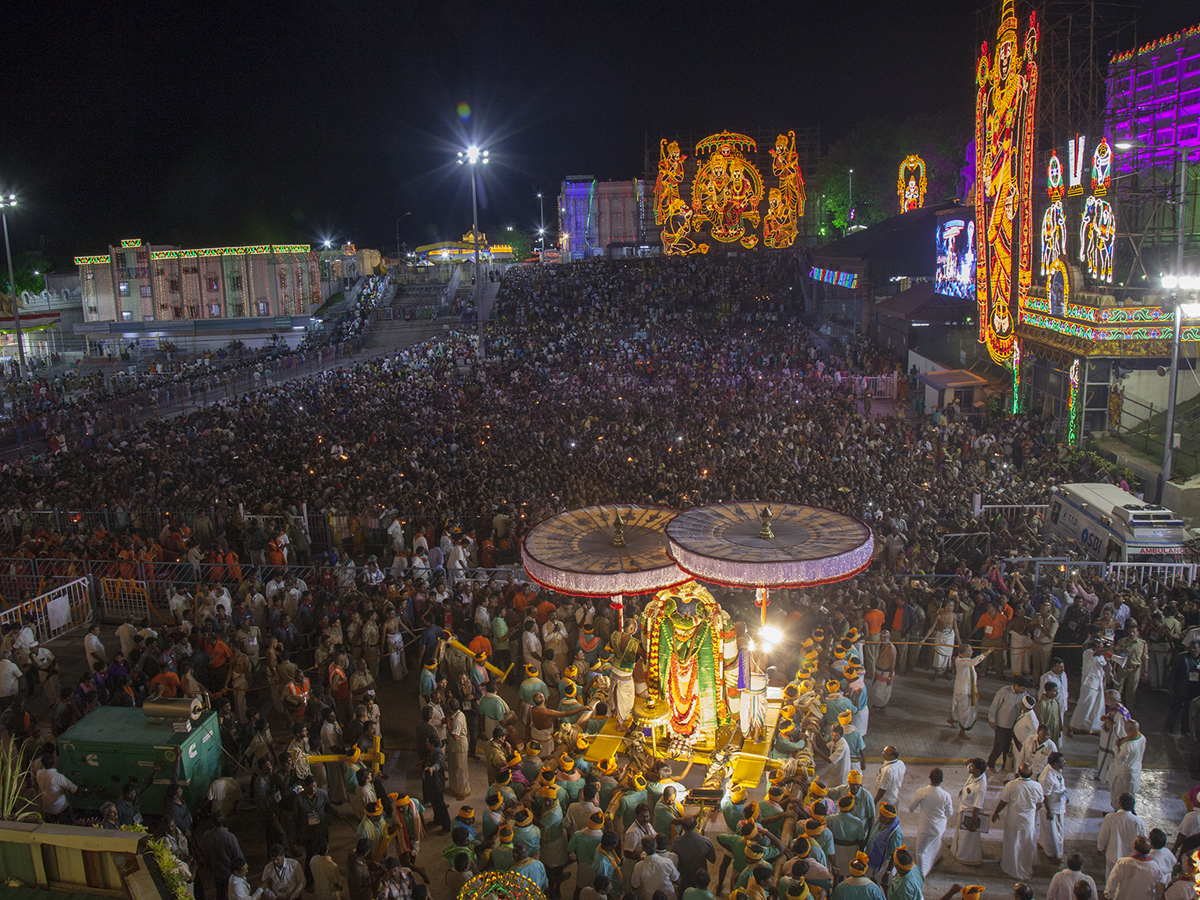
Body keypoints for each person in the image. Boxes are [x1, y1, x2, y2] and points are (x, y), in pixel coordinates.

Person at [990, 763, 1044, 880]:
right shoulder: (1037, 786)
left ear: (1017, 773)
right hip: (1028, 821)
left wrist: (996, 812)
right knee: (1026, 843)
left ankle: (1010, 866)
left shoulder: (1012, 785)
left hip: (1013, 820)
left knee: (1012, 842)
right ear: (1031, 774)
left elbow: (1003, 801)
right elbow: (1039, 804)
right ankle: (1025, 867)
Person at [908, 768, 954, 876]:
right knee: (936, 843)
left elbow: (911, 807)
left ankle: (922, 873)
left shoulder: (922, 792)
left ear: (929, 777)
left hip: (926, 826)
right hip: (939, 827)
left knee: (921, 851)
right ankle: (936, 858)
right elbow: (949, 813)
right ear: (942, 780)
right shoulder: (946, 795)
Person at [1098, 794, 1147, 884]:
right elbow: (1144, 840)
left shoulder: (1110, 818)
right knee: (1126, 882)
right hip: (1131, 857)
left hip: (1113, 855)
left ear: (1120, 804)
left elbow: (1103, 835)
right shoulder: (1138, 822)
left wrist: (1100, 847)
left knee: (1111, 880)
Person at [988, 678, 1030, 772]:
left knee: (1008, 747)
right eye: (1022, 689)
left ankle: (1006, 766)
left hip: (1014, 725)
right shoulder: (1004, 691)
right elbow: (994, 706)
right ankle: (991, 764)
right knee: (998, 746)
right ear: (1017, 686)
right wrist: (992, 719)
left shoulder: (1023, 695)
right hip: (1002, 724)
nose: (1024, 691)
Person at [953, 758, 988, 866]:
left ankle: (966, 858)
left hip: (970, 814)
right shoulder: (975, 775)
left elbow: (977, 807)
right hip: (963, 809)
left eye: (972, 766)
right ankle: (956, 850)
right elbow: (966, 762)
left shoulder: (980, 787)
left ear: (978, 771)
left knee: (966, 837)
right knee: (960, 833)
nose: (969, 767)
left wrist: (973, 823)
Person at [1105, 836, 1163, 900]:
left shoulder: (1123, 862)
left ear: (1134, 846)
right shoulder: (1155, 867)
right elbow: (1160, 888)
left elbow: (1112, 881)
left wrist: (1109, 896)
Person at [1070, 639, 1108, 736]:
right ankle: (1073, 726)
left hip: (1098, 683)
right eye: (1099, 647)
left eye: (1102, 647)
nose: (1101, 649)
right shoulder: (1088, 653)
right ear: (1093, 647)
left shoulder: (1101, 656)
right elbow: (1096, 654)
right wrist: (1112, 649)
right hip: (1089, 684)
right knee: (1084, 705)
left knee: (1097, 706)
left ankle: (1094, 728)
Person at [952, 646, 992, 737]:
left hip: (966, 688)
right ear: (965, 653)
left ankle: (953, 719)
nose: (972, 651)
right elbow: (974, 662)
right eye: (970, 650)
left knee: (958, 707)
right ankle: (962, 730)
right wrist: (986, 653)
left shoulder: (966, 659)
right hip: (964, 690)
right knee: (965, 710)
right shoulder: (961, 661)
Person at [1109, 720, 1145, 811]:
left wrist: (1116, 747)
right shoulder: (1142, 738)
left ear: (1127, 729)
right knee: (1131, 794)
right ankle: (1131, 810)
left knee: (1119, 793)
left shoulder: (1127, 745)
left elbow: (1120, 760)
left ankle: (1117, 812)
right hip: (1136, 771)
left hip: (1125, 773)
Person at [632, 834, 680, 900]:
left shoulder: (639, 866)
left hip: (650, 897)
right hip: (669, 896)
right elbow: (676, 879)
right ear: (656, 846)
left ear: (643, 849)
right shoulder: (667, 862)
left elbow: (635, 886)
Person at [1040, 751, 1068, 862]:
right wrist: (1049, 811)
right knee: (1053, 831)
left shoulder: (1057, 770)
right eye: (1062, 762)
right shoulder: (1047, 777)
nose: (1064, 763)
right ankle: (1054, 853)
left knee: (1055, 829)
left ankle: (1046, 846)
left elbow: (1061, 786)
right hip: (1052, 808)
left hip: (1059, 804)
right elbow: (1045, 796)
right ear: (1055, 764)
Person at [422, 735, 452, 833]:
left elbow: (437, 764)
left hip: (437, 784)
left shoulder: (438, 755)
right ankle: (437, 820)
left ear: (431, 745)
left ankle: (446, 826)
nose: (426, 743)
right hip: (432, 784)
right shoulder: (433, 751)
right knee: (435, 804)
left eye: (427, 741)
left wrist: (432, 768)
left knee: (440, 806)